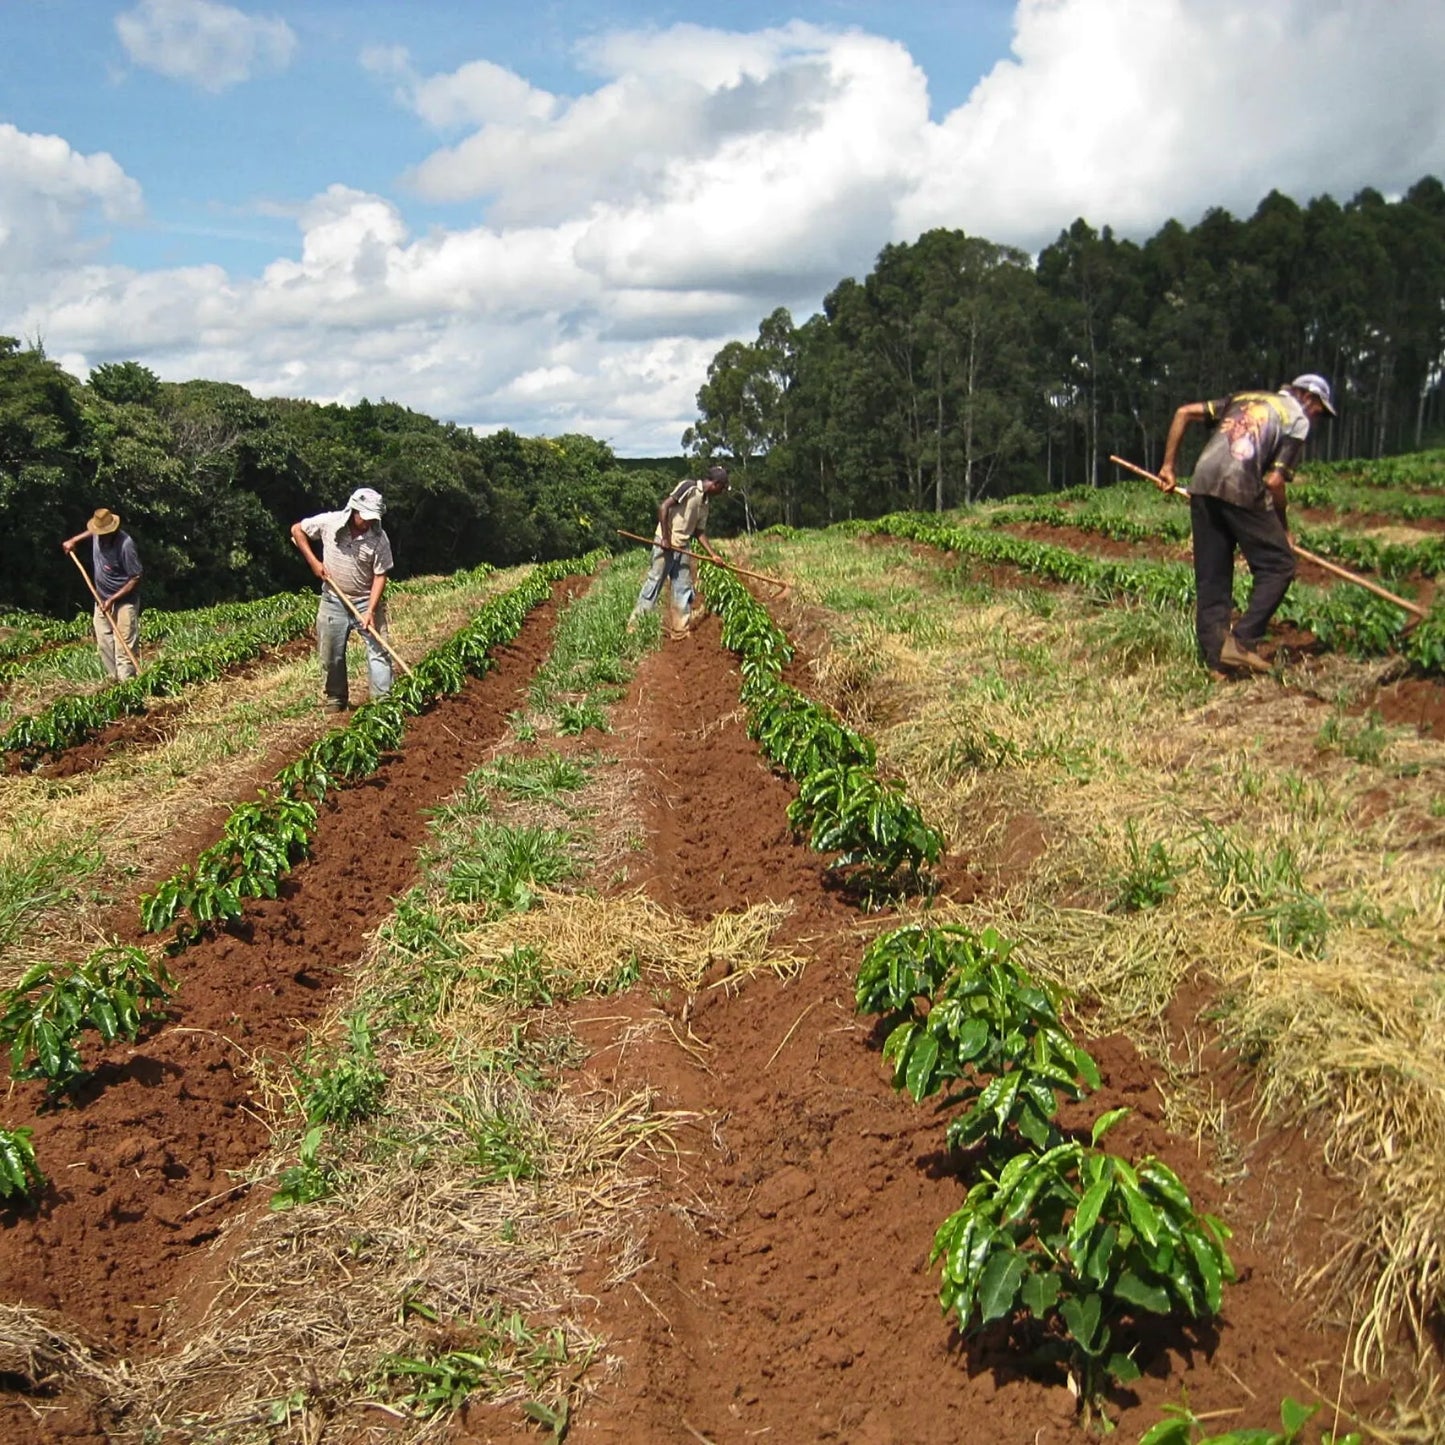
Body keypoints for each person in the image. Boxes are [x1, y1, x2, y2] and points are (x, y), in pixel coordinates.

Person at [1157, 373, 1336, 676]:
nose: (1317, 416)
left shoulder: (1243, 398)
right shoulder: (1297, 419)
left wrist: (1168, 467)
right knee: (1279, 565)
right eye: (1319, 408)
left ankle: (1219, 663)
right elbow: (1275, 482)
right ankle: (1242, 642)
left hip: (1202, 484)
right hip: (1240, 486)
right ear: (1308, 398)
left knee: (1212, 577)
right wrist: (1283, 528)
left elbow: (1183, 412)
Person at [290, 487, 395, 711]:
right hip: (333, 599)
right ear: (353, 511)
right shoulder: (330, 523)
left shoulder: (379, 538)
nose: (367, 523)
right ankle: (336, 698)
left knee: (379, 651)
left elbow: (380, 575)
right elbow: (297, 530)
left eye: (371, 519)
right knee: (331, 653)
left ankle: (383, 701)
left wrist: (370, 610)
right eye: (364, 518)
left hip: (366, 599)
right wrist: (314, 563)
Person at [628, 464, 730, 633]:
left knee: (683, 587)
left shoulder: (705, 503)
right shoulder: (689, 487)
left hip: (683, 546)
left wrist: (713, 555)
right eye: (723, 488)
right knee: (654, 583)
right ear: (716, 484)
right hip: (665, 543)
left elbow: (699, 532)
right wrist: (666, 539)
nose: (722, 492)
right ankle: (635, 627)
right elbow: (664, 507)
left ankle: (680, 629)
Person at [61, 508, 143, 680]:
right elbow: (91, 531)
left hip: (124, 602)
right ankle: (114, 681)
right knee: (105, 643)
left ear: (112, 531)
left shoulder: (125, 545)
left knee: (124, 649)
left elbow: (135, 577)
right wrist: (73, 540)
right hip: (101, 599)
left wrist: (113, 599)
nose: (99, 535)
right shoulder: (97, 534)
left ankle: (128, 687)